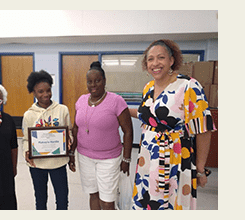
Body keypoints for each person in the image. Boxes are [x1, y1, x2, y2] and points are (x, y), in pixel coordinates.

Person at [129, 39, 216, 210]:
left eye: (160, 57)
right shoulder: (148, 87)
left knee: (171, 203)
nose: (155, 63)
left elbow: (203, 129)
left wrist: (200, 169)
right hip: (147, 157)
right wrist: (117, 109)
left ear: (171, 60)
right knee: (147, 200)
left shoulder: (188, 86)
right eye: (150, 59)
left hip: (175, 156)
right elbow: (149, 117)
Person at [70, 62, 133, 210]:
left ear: (104, 81)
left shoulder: (116, 101)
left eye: (97, 80)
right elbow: (75, 128)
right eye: (89, 81)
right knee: (93, 194)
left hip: (109, 159)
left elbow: (128, 131)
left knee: (107, 201)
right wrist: (71, 152)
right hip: (85, 157)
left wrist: (127, 159)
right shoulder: (81, 101)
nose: (93, 85)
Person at [21, 70, 72, 210]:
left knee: (62, 200)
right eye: (40, 91)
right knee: (40, 200)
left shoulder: (62, 110)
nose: (45, 94)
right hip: (37, 165)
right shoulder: (29, 115)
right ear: (34, 93)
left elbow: (69, 132)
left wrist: (69, 141)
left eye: (48, 90)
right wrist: (26, 151)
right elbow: (26, 139)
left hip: (58, 162)